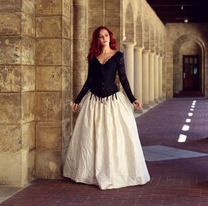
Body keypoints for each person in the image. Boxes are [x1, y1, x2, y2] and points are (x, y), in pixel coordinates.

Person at [63, 26, 150, 190]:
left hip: (113, 101)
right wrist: (77, 100)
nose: (104, 39)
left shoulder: (118, 57)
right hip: (94, 102)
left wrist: (132, 98)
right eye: (101, 37)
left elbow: (123, 80)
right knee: (93, 136)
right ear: (97, 39)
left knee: (112, 136)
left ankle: (113, 172)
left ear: (110, 37)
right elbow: (89, 81)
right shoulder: (92, 57)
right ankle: (91, 172)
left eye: (106, 35)